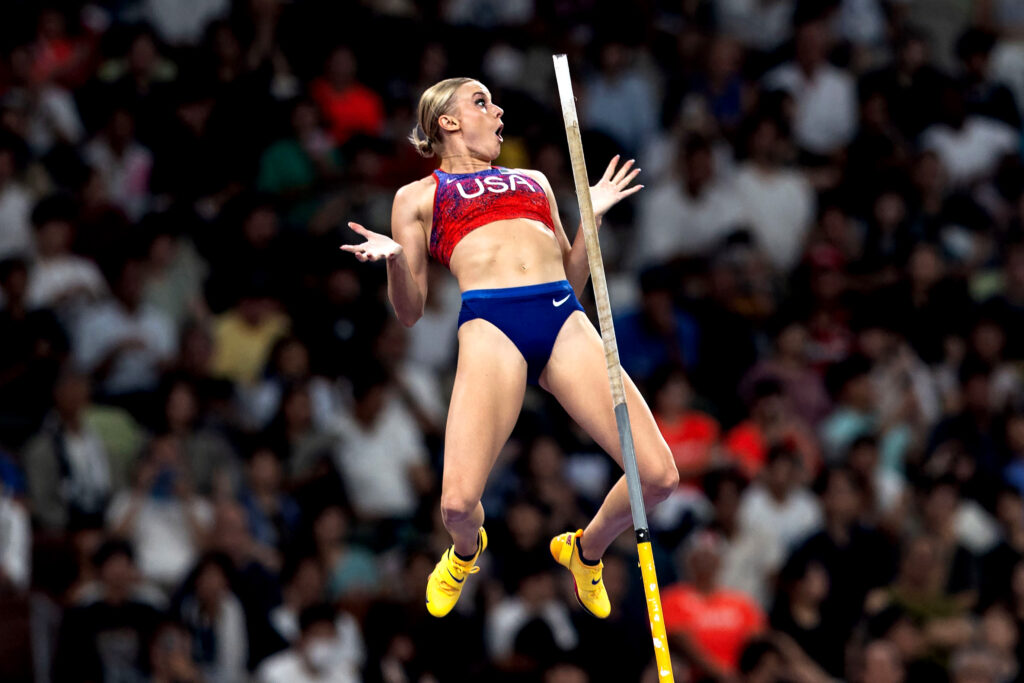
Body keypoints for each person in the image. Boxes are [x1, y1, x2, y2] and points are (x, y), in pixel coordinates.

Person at [341, 77, 678, 619]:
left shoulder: (534, 181)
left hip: (561, 316)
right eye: (481, 102)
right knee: (455, 505)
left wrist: (589, 216)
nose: (498, 112)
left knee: (660, 477)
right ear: (447, 121)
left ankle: (585, 552)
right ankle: (465, 552)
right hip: (491, 326)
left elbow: (573, 275)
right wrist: (398, 261)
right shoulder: (418, 196)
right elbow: (409, 312)